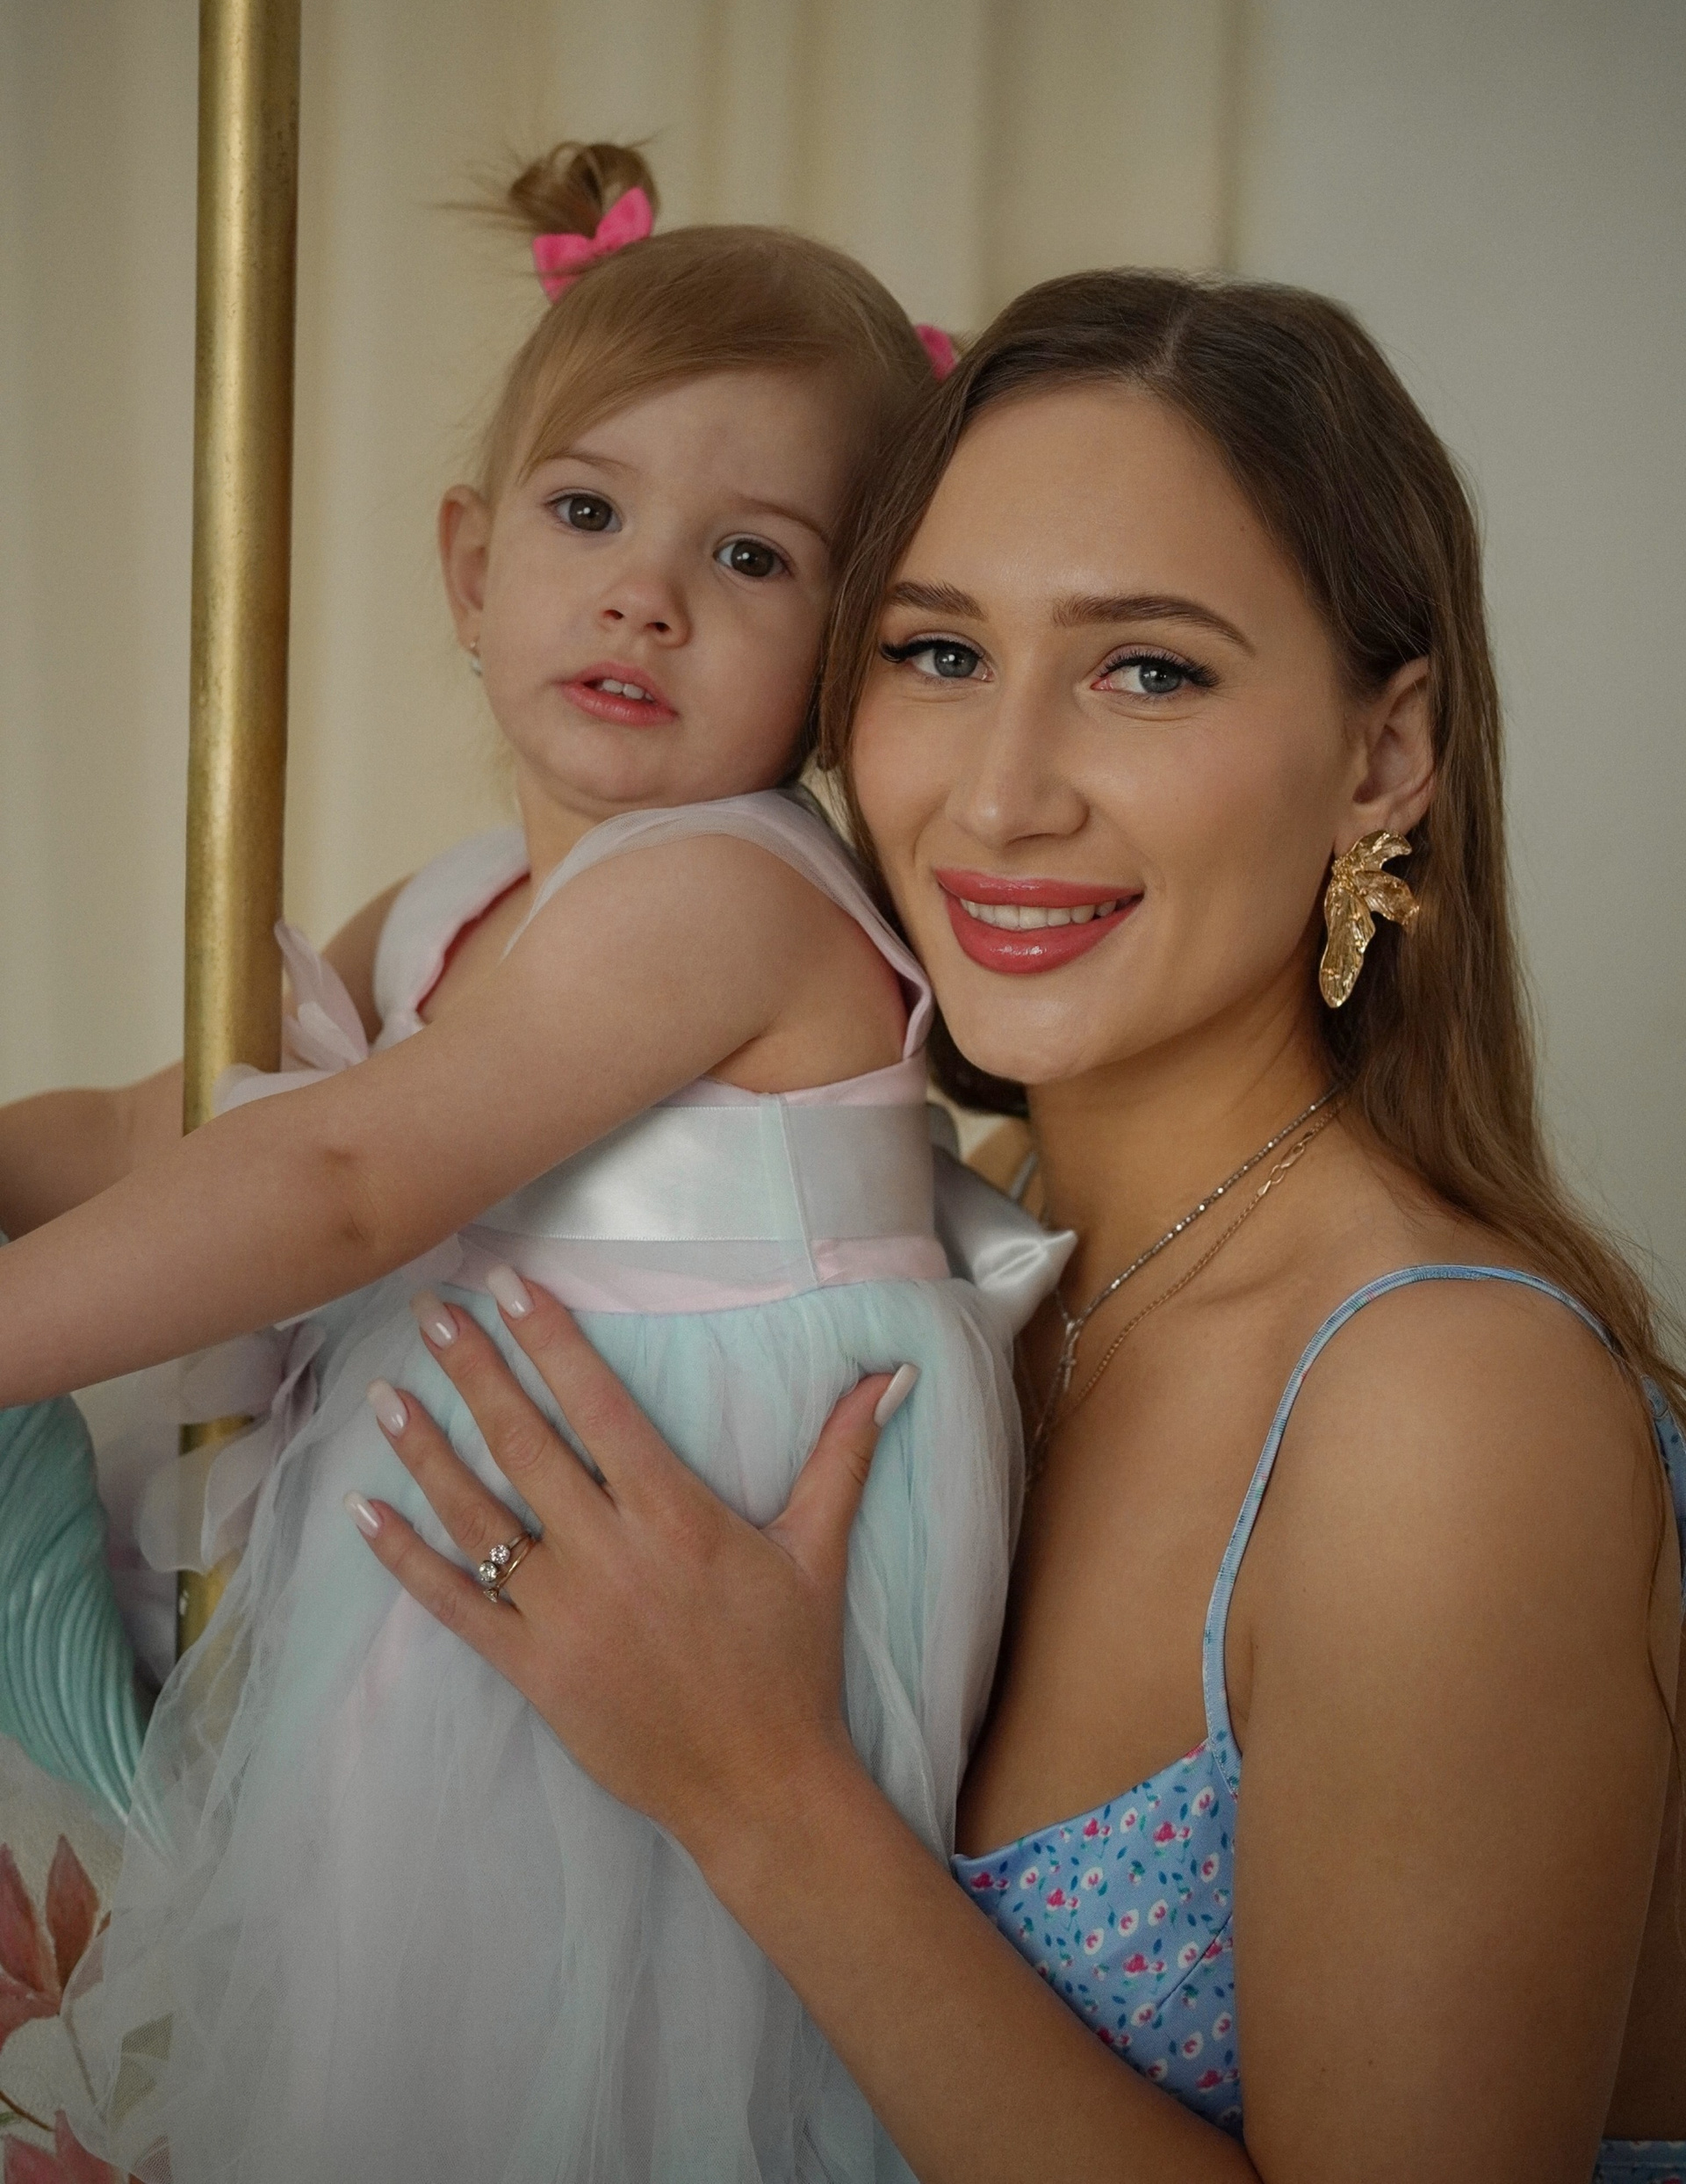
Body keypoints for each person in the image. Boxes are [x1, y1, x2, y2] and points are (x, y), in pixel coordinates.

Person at [356, 270, 1686, 2183]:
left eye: (1149, 671)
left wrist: (763, 1794)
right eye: (938, 651)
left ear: (1384, 757)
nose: (998, 794)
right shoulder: (963, 1240)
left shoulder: (1444, 1405)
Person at [0, 144, 1045, 2180]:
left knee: (578, 2083)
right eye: (589, 513)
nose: (648, 591)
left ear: (847, 654)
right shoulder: (466, 901)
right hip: (462, 1610)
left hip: (657, 1647)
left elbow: (341, 1187)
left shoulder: (732, 895)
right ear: (472, 566)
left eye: (753, 557)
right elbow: (171, 1129)